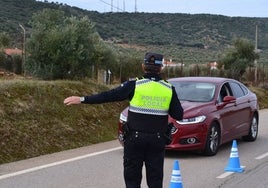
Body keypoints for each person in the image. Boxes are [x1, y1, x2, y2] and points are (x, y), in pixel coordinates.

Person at [63, 52, 184, 188]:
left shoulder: (134, 85)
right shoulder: (168, 89)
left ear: (143, 66)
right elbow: (179, 114)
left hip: (134, 140)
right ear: (161, 68)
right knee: (155, 181)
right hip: (157, 140)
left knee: (132, 180)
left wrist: (82, 99)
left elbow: (109, 96)